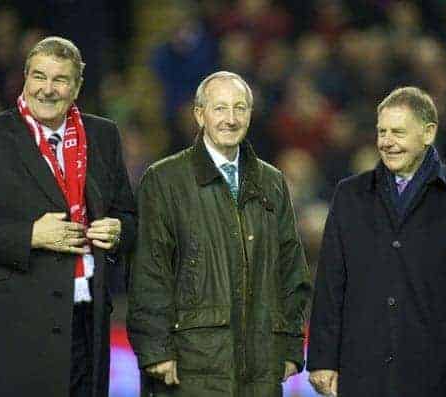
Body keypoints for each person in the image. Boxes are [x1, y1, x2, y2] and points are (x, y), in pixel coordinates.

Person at [0, 36, 136, 397]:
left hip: (86, 325)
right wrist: (29, 235)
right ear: (25, 79)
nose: (47, 89)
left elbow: (128, 215)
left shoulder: (103, 135)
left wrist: (119, 229)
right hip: (12, 326)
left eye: (60, 80)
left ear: (76, 87)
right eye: (39, 77)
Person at [307, 87, 446, 397]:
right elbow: (331, 282)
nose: (386, 141)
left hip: (436, 370)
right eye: (381, 131)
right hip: (362, 369)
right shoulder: (350, 196)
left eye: (398, 132)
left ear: (428, 133)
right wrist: (321, 359)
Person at [127, 71, 311, 397]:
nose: (231, 118)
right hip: (190, 366)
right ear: (200, 114)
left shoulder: (272, 182)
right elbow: (150, 272)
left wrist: (291, 348)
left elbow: (292, 270)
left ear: (250, 115)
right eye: (220, 108)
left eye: (240, 108)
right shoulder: (164, 180)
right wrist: (156, 349)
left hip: (261, 366)